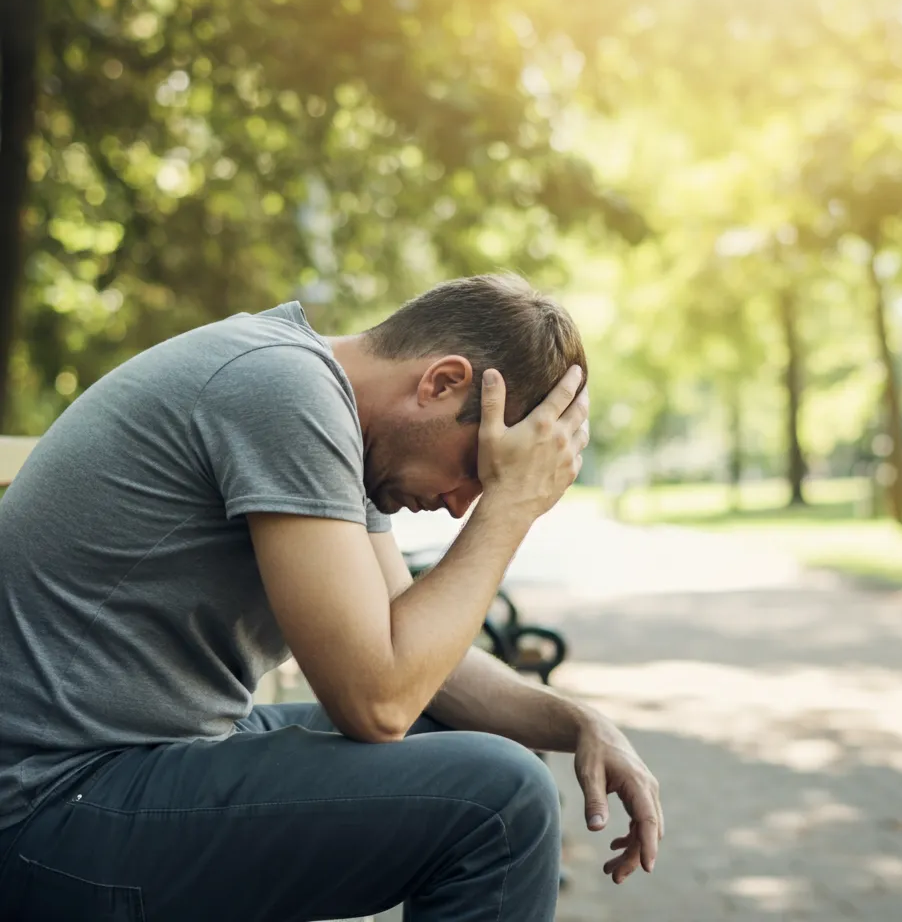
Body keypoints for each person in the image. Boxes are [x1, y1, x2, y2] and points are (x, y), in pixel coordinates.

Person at [0, 274, 662, 922]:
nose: (463, 505)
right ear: (443, 382)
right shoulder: (283, 389)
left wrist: (579, 722)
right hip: (46, 805)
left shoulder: (323, 406)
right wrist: (511, 510)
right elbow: (376, 703)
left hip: (123, 769)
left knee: (464, 743)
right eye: (473, 470)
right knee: (500, 801)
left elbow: (425, 669)